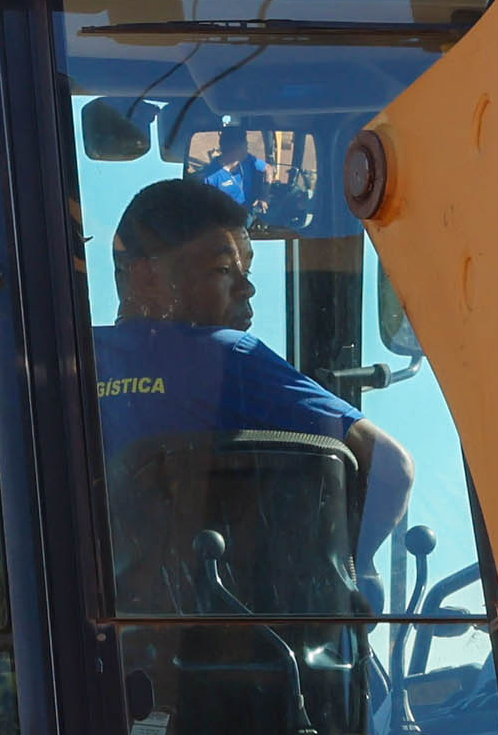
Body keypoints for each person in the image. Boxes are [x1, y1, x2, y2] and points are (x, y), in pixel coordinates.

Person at [94, 175, 405, 539]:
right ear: (147, 278)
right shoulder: (226, 356)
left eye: (248, 270)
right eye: (224, 270)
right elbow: (391, 467)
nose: (248, 287)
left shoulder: (66, 361)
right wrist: (350, 577)